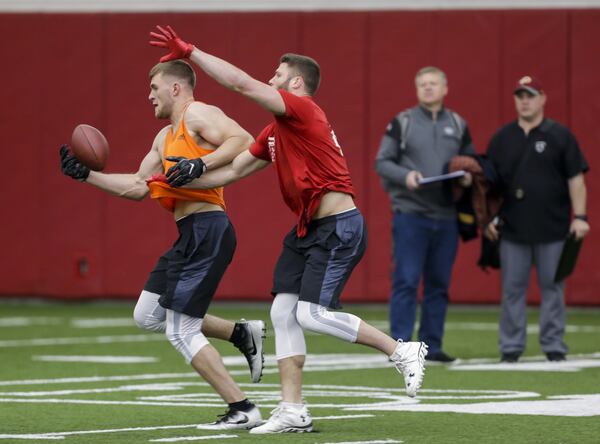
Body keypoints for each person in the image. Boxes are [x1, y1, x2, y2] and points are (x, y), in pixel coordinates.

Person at [149, 25, 428, 434]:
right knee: (283, 312)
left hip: (338, 226)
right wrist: (184, 175)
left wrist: (191, 52)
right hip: (307, 230)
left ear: (296, 83)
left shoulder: (302, 109)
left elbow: (242, 84)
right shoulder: (276, 130)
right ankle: (293, 410)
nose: (269, 80)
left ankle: (401, 349)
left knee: (311, 315)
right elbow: (238, 168)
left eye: (277, 76)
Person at [59, 59, 265, 430]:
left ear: (176, 88)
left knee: (180, 329)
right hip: (189, 234)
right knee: (148, 315)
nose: (149, 96)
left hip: (209, 228)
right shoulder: (162, 138)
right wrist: (87, 175)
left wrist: (202, 165)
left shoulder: (198, 113)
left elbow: (243, 141)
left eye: (154, 88)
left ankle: (243, 408)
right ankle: (240, 333)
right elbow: (137, 186)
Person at [485, 75, 590, 363]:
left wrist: (580, 216)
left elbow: (576, 179)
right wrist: (489, 219)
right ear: (515, 100)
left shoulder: (561, 136)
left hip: (553, 227)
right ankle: (510, 347)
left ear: (543, 98)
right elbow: (489, 187)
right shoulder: (502, 139)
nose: (525, 100)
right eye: (520, 95)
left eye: (530, 95)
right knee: (512, 290)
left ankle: (554, 345)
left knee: (553, 288)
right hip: (513, 228)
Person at [374, 67, 476, 363]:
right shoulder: (402, 122)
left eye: (433, 84)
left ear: (445, 88)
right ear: (417, 89)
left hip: (446, 216)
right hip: (411, 213)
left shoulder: (457, 124)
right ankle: (401, 346)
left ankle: (432, 345)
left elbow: (470, 162)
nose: (428, 88)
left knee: (439, 283)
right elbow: (382, 162)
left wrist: (468, 177)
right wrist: (406, 176)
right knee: (406, 279)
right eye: (423, 84)